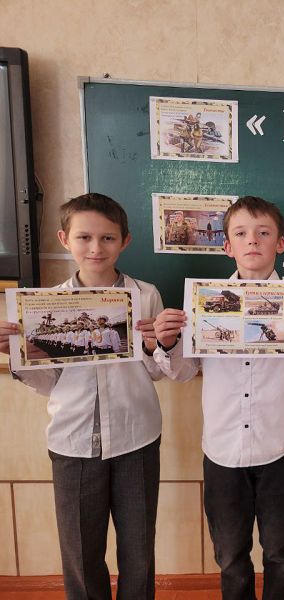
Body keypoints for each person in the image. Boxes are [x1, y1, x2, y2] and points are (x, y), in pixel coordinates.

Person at [152, 196, 284, 600]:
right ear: (227, 246)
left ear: (280, 243)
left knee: (280, 554)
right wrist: (168, 343)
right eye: (241, 233)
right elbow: (183, 373)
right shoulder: (203, 300)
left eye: (263, 233)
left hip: (279, 449)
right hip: (223, 452)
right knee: (230, 557)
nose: (252, 240)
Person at [0, 193, 164, 599]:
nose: (96, 248)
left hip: (137, 438)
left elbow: (157, 371)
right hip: (72, 441)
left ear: (125, 240)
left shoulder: (146, 295)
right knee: (80, 552)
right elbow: (49, 383)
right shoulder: (44, 305)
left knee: (139, 549)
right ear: (64, 239)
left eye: (107, 238)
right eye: (84, 237)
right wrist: (18, 357)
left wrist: (152, 347)